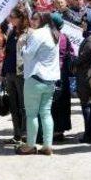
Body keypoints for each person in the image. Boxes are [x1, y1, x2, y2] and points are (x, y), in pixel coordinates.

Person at [16, 12, 60, 156]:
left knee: (31, 114)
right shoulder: (54, 34)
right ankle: (47, 145)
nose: (32, 21)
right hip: (50, 80)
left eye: (35, 18)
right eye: (31, 18)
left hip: (35, 78)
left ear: (42, 20)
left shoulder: (38, 34)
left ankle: (30, 145)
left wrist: (22, 47)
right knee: (46, 113)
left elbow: (28, 54)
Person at [72, 11, 91, 143]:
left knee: (87, 106)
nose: (83, 24)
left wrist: (72, 61)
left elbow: (82, 58)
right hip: (90, 76)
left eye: (85, 21)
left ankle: (89, 134)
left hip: (87, 78)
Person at [2, 7, 29, 145]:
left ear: (20, 18)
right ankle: (16, 134)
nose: (10, 19)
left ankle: (25, 134)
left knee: (23, 105)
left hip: (22, 74)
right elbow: (7, 53)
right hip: (10, 72)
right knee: (13, 105)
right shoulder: (11, 31)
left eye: (12, 16)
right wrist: (3, 73)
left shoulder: (29, 33)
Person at [50, 13, 74, 142]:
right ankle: (60, 130)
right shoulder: (64, 36)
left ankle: (53, 131)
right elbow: (71, 53)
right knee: (63, 101)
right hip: (63, 73)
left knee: (53, 102)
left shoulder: (49, 37)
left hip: (52, 73)